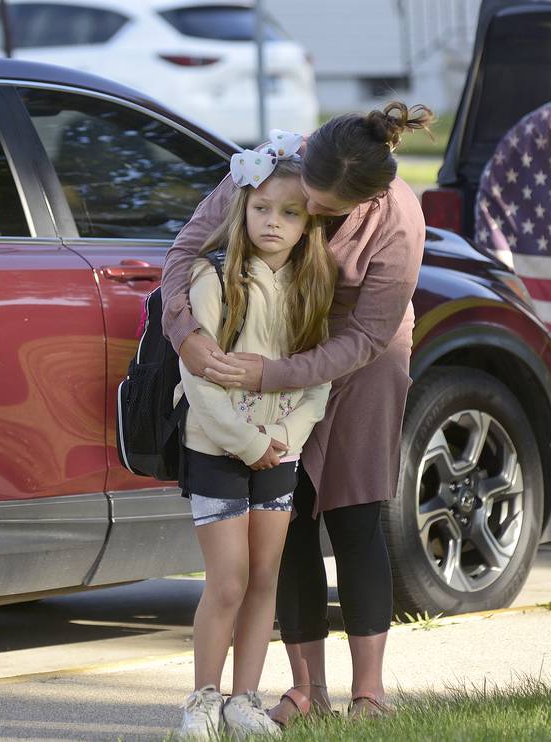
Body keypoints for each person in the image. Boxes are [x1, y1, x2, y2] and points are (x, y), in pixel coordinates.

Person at [163, 102, 433, 724]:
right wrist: (189, 336)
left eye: (326, 211)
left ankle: (369, 693)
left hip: (360, 363)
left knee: (357, 513)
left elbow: (367, 336)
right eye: (306, 196)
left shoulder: (399, 219)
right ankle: (305, 690)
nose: (306, 214)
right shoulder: (266, 168)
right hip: (272, 347)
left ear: (367, 200)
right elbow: (184, 253)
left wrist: (275, 374)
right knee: (290, 520)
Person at [176, 146, 335, 740]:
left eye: (290, 213)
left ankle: (245, 698)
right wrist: (247, 442)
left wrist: (285, 438)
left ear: (307, 224)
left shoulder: (313, 287)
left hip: (280, 451)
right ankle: (202, 699)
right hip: (218, 448)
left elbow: (317, 377)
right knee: (228, 580)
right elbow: (201, 379)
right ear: (242, 209)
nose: (273, 222)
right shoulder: (211, 278)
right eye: (262, 208)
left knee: (266, 575)